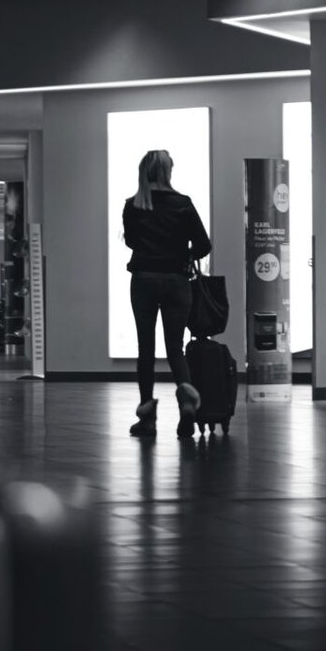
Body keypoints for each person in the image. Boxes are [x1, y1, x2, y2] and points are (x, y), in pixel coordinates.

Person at [122, 148, 210, 439]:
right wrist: (182, 252)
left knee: (145, 349)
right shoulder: (182, 204)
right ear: (168, 172)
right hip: (176, 281)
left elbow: (132, 241)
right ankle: (186, 397)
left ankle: (147, 418)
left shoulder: (133, 205)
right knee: (175, 347)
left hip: (144, 280)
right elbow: (203, 245)